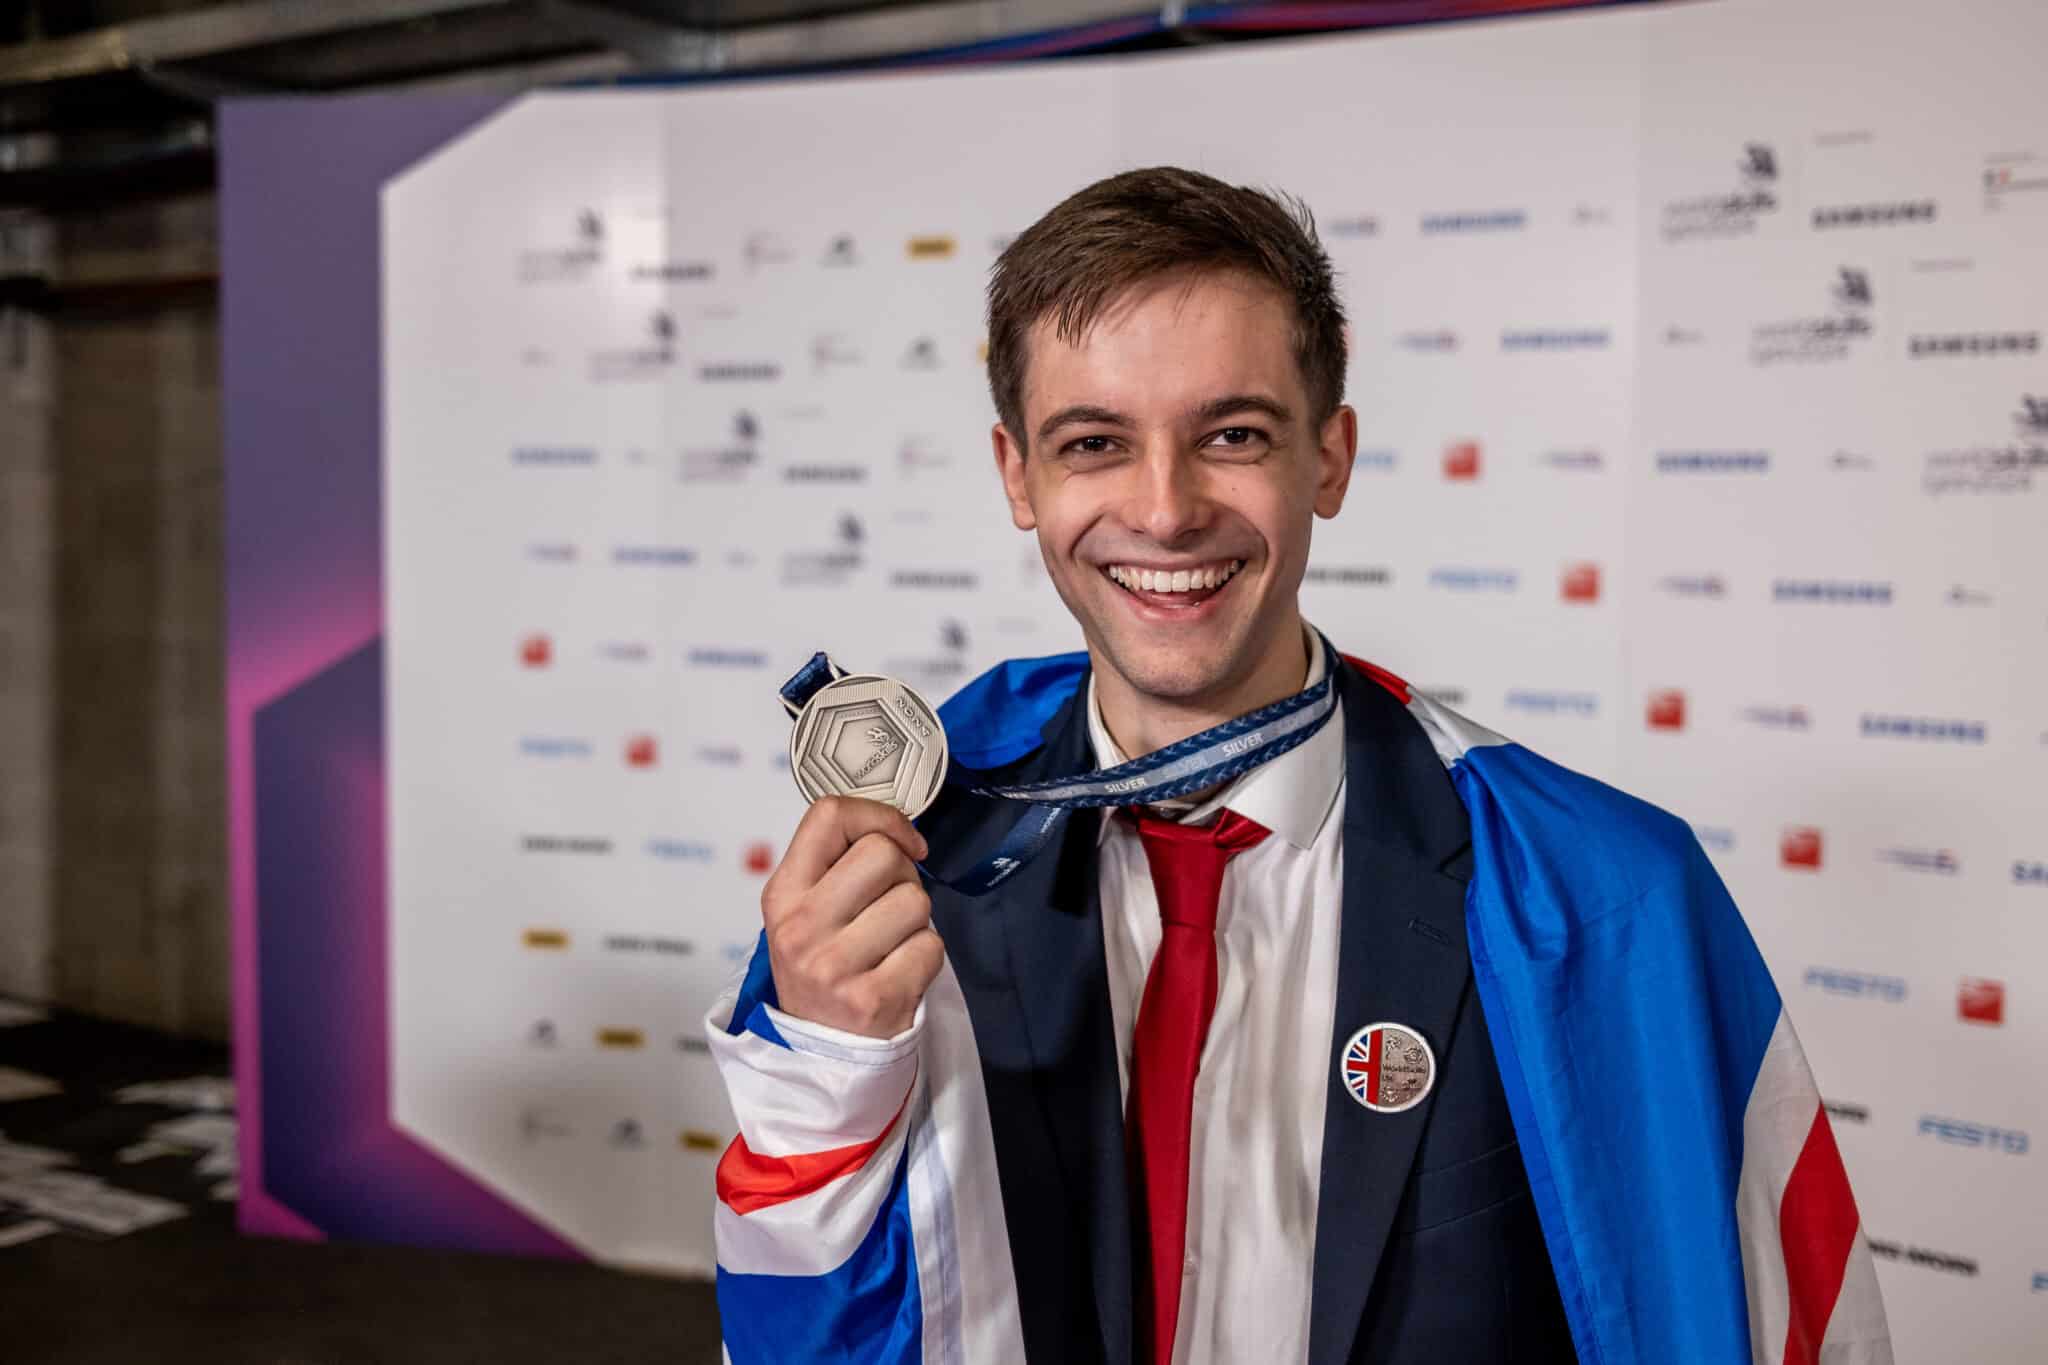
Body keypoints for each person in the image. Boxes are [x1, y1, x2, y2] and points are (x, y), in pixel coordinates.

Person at [706, 167, 1893, 1365]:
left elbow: (1754, 1309)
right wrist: (826, 1075)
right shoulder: (913, 864)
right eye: (1094, 443)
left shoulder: (1601, 900)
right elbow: (796, 1305)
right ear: (1019, 476)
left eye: (1230, 435)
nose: (1164, 512)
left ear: (1327, 456)